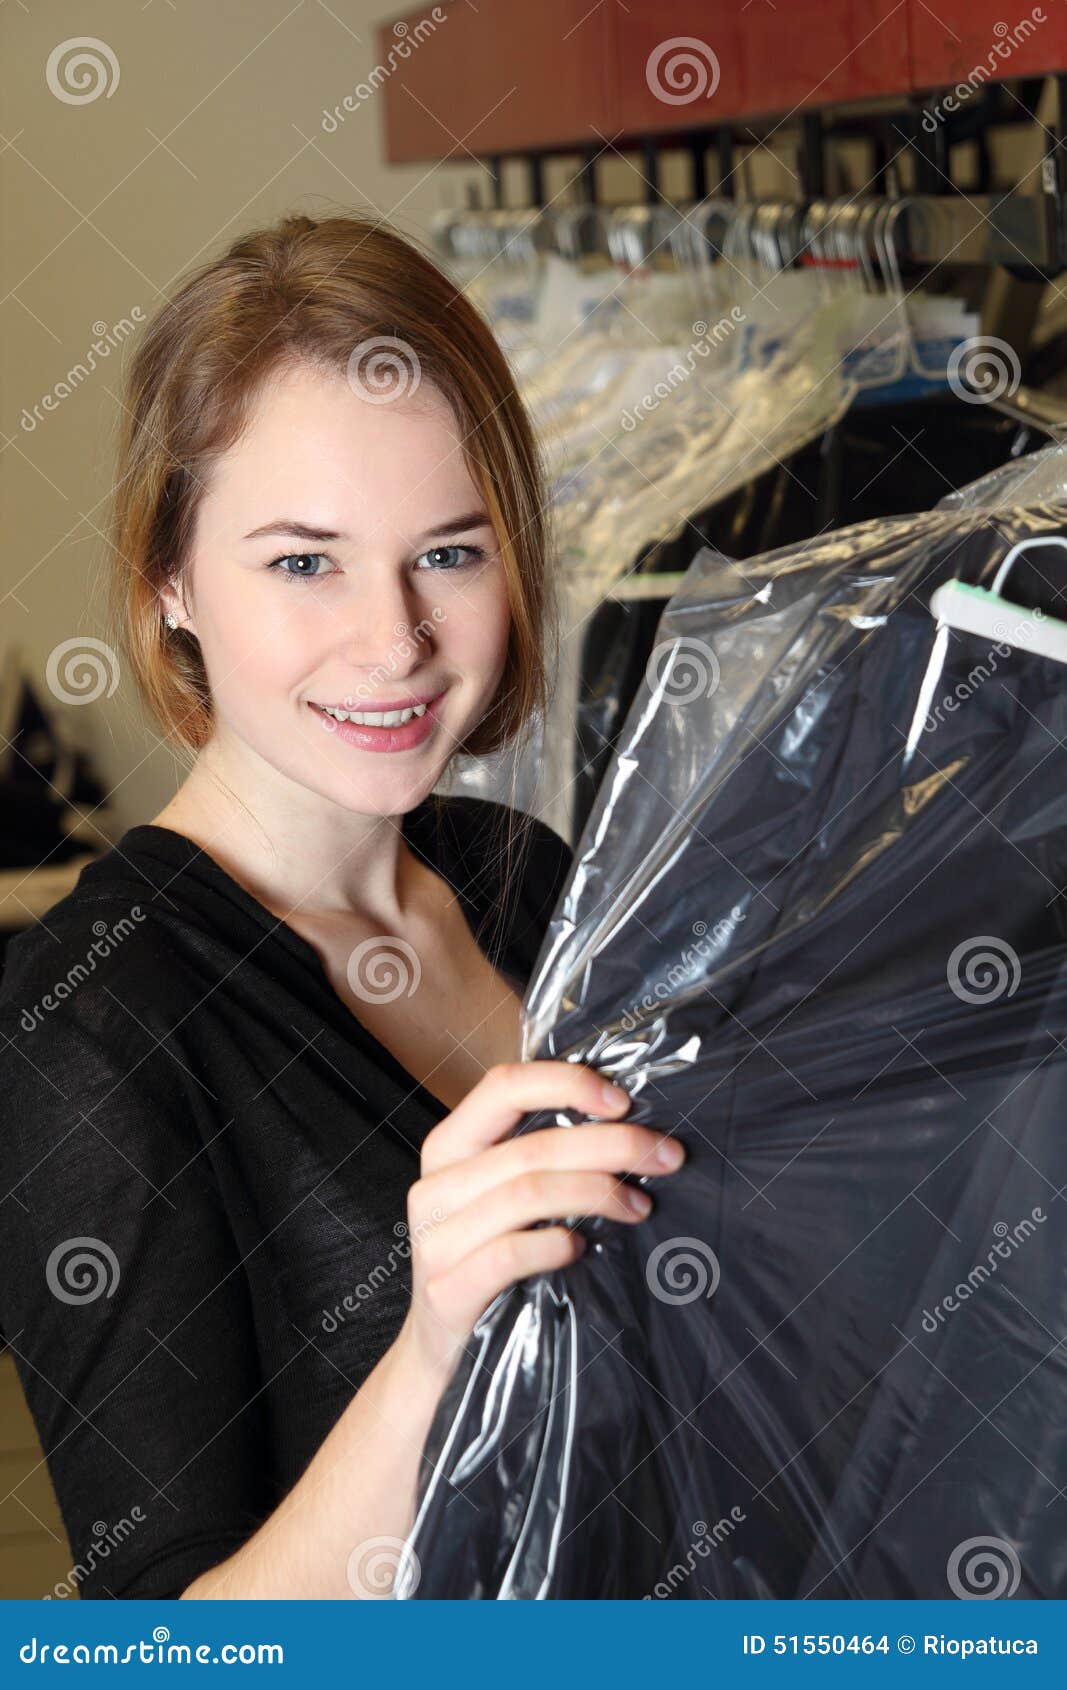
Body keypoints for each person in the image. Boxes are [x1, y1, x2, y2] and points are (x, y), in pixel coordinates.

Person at [0, 211, 686, 1600]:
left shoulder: (526, 871)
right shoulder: (94, 1022)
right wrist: (433, 1348)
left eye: (451, 552)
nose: (396, 641)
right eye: (304, 561)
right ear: (170, 581)